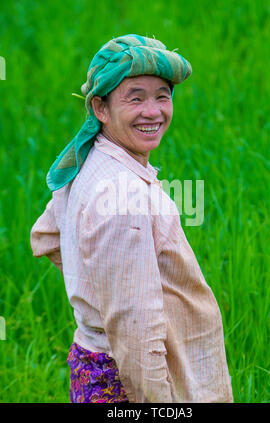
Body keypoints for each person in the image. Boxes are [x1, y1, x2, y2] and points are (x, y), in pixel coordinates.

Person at [30, 34, 233, 403]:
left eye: (162, 95)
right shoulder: (124, 200)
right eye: (135, 97)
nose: (153, 111)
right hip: (126, 380)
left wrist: (96, 287)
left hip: (94, 364)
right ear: (100, 108)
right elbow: (137, 336)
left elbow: (46, 236)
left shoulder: (86, 163)